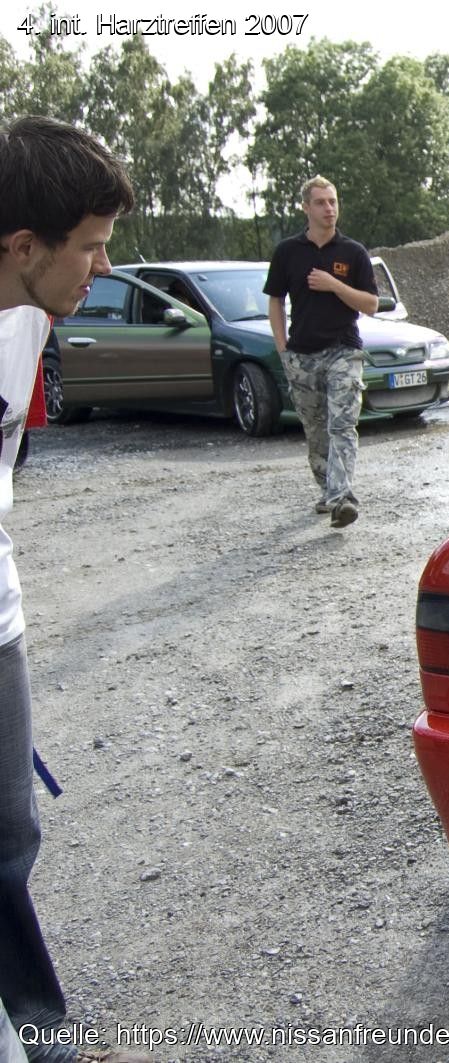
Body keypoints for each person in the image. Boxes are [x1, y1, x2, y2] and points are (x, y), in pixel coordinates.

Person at [0, 116, 153, 1063]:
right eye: (91, 247)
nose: (103, 266)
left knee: (11, 834)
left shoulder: (28, 322)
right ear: (24, 246)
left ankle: (38, 1029)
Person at [264, 176, 379, 529]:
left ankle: (342, 497)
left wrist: (333, 285)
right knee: (316, 431)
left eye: (333, 201)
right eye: (321, 202)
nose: (329, 209)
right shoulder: (288, 252)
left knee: (342, 425)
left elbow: (371, 304)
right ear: (306, 208)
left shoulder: (353, 252)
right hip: (302, 355)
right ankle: (328, 490)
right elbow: (275, 301)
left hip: (344, 351)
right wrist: (282, 348)